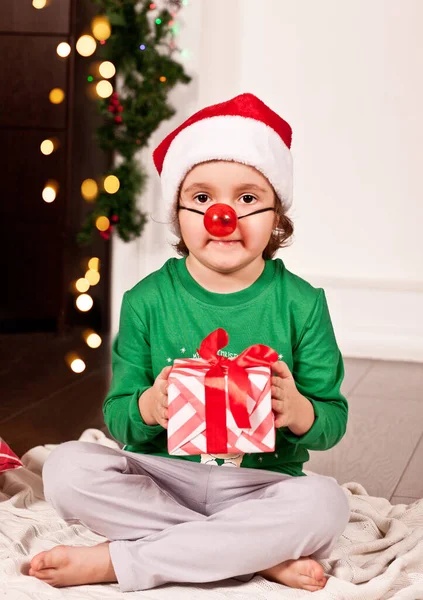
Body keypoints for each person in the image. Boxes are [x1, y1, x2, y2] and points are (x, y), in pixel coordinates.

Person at [28, 93, 350, 593]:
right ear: (178, 212)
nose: (224, 214)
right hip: (162, 478)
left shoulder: (302, 303)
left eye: (247, 199)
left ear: (276, 214)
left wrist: (300, 411)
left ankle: (120, 561)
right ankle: (251, 552)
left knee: (327, 503)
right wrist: (150, 406)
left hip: (261, 485)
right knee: (66, 469)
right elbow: (118, 415)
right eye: (202, 198)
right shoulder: (147, 301)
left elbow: (331, 422)